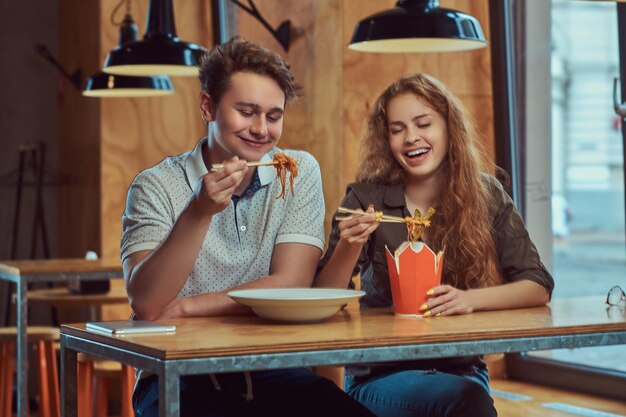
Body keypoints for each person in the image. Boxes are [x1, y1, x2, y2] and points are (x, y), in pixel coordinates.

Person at [121, 37, 376, 417]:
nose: (261, 129)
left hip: (277, 369)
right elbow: (148, 302)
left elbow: (291, 283)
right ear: (208, 106)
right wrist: (198, 211)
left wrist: (188, 308)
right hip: (179, 376)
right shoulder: (156, 185)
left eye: (274, 116)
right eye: (247, 112)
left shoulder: (298, 172)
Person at [315, 73, 555, 417]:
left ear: (448, 127)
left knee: (465, 396)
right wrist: (349, 246)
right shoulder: (364, 198)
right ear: (386, 139)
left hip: (463, 371)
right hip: (382, 376)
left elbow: (537, 286)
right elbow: (322, 299)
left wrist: (468, 300)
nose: (411, 137)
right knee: (466, 402)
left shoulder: (485, 194)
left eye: (423, 123)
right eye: (397, 129)